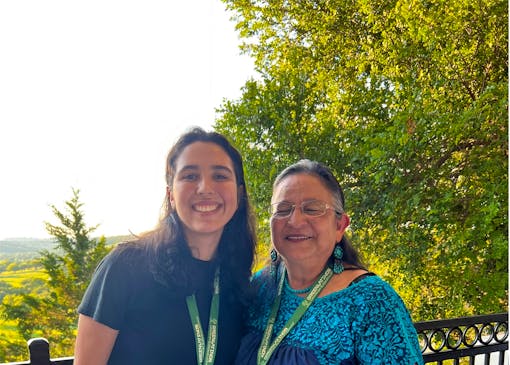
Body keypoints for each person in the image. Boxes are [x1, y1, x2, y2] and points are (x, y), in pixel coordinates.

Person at [74, 127, 256, 365]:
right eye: (190, 176)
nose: (205, 188)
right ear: (171, 195)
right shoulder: (125, 267)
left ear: (239, 193)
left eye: (220, 176)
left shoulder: (237, 279)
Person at [235, 159, 423, 365]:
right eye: (283, 209)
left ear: (340, 226)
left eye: (312, 209)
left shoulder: (372, 301)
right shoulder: (261, 285)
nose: (295, 221)